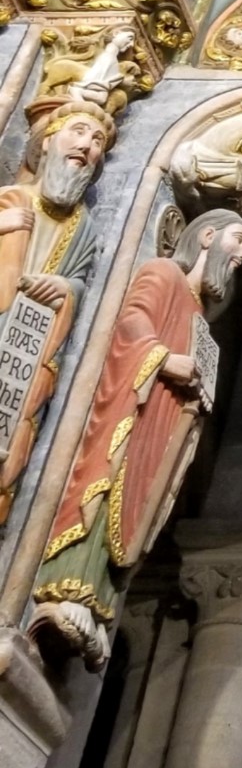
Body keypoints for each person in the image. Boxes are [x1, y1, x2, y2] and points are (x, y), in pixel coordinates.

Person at [31, 210, 242, 668]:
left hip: (161, 425)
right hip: (130, 410)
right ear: (207, 236)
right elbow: (132, 324)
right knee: (108, 486)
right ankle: (68, 586)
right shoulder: (163, 273)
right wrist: (164, 359)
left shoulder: (199, 316)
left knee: (139, 502)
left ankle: (97, 601)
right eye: (239, 239)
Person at [0, 101, 109, 527]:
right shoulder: (11, 199)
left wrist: (66, 288)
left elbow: (79, 281)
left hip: (29, 350)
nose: (86, 146)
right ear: (47, 142)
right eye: (77, 132)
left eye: (97, 141)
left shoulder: (84, 227)